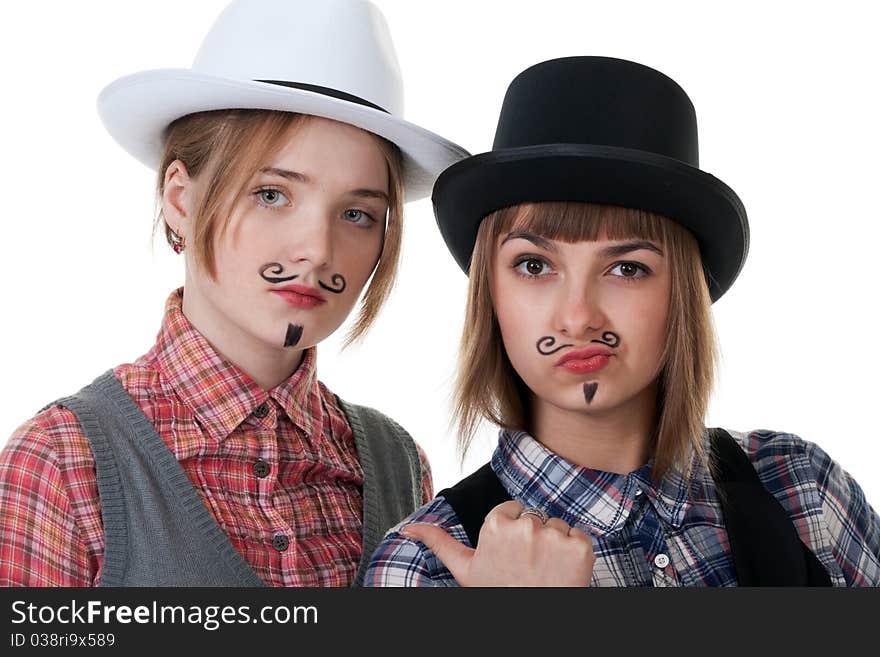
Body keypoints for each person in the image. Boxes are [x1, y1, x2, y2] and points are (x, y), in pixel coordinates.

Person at [0, 0, 468, 587]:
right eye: (272, 194)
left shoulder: (396, 464)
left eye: (356, 213)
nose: (317, 250)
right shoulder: (64, 462)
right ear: (181, 199)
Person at [365, 56, 880, 586]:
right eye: (535, 265)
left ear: (681, 294)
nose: (578, 317)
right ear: (490, 294)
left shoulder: (799, 489)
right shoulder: (427, 565)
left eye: (627, 268)